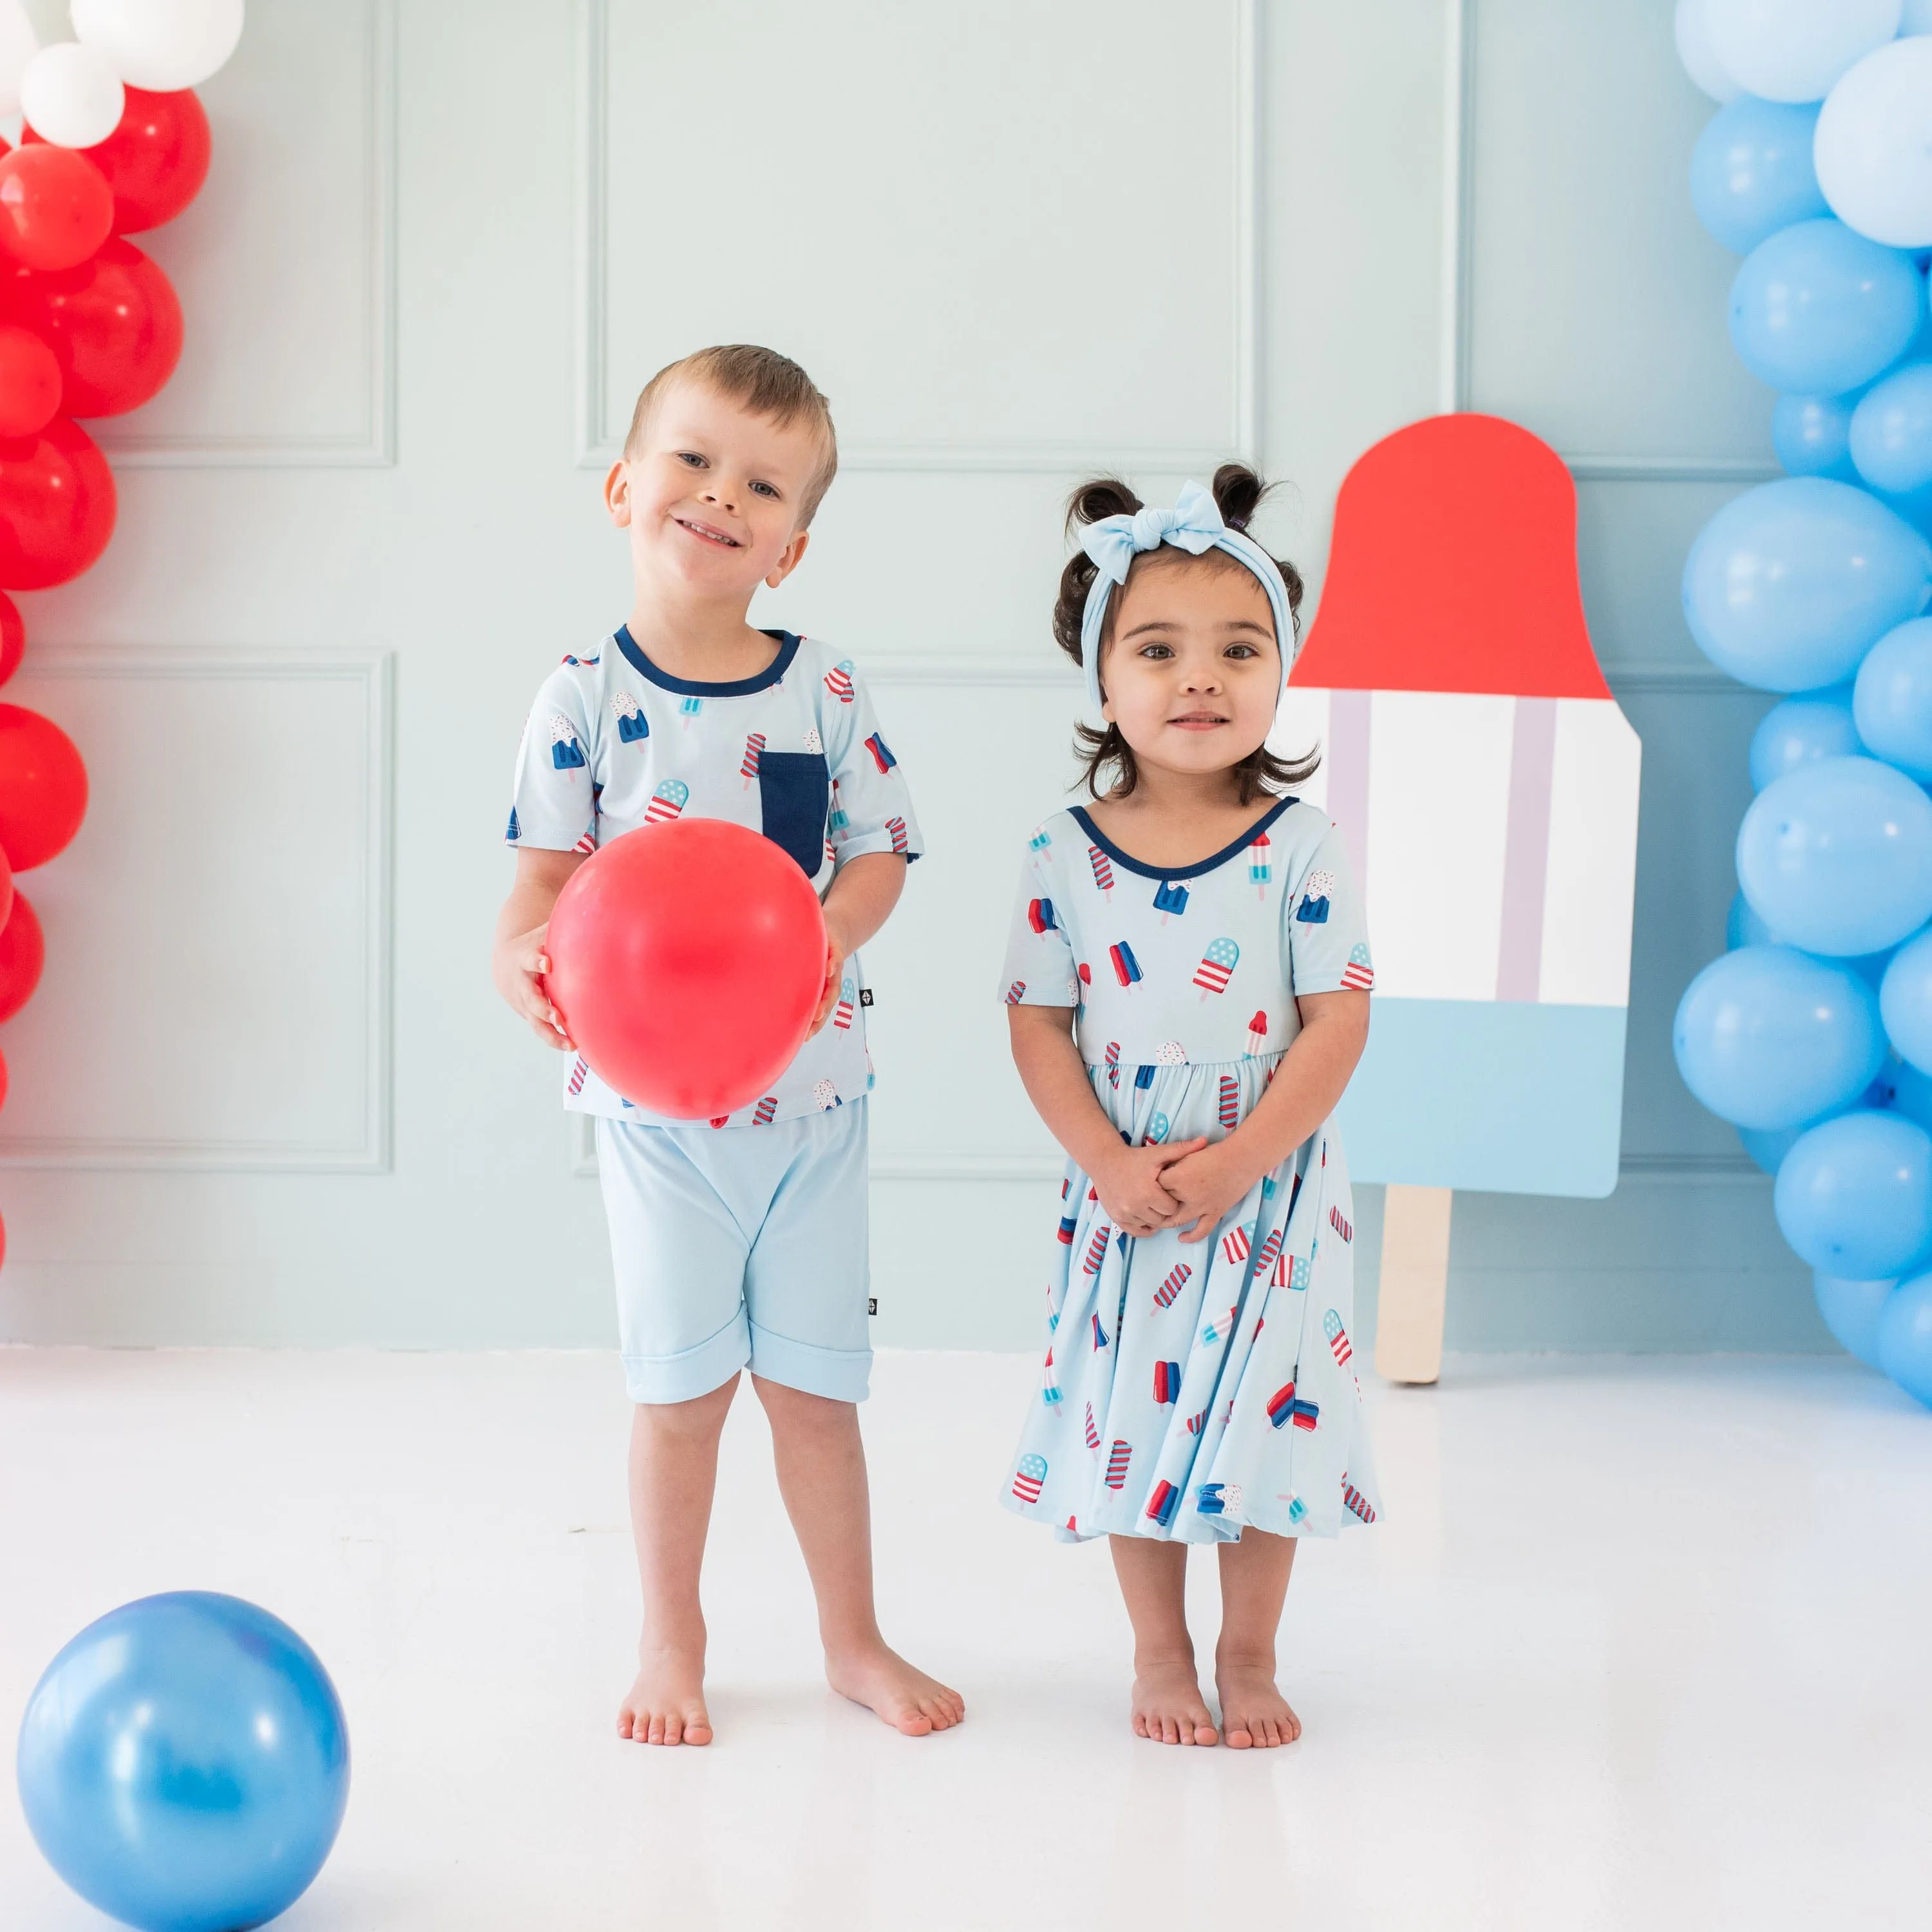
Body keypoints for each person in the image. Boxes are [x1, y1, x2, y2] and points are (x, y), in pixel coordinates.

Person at [493, 345, 963, 1746]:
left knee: (818, 1396)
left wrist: (827, 939)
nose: (719, 495)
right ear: (624, 487)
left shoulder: (822, 689)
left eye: (760, 484)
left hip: (813, 1108)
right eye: (692, 461)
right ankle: (671, 1636)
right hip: (655, 1121)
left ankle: (852, 1639)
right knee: (681, 1392)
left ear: (792, 545)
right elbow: (539, 886)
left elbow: (880, 857)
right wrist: (515, 955)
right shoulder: (580, 695)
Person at [998, 466, 1379, 1749]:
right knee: (1133, 1422)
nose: (1201, 677)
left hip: (1269, 1190)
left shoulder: (1302, 844)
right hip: (1131, 1190)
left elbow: (1339, 1022)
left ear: (1281, 671)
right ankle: (1159, 1655)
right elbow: (1038, 1020)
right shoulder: (1064, 848)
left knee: (1272, 1423)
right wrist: (1108, 1158)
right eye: (1158, 650)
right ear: (1102, 679)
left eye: (1238, 648)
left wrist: (1245, 1161)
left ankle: (1251, 1654)